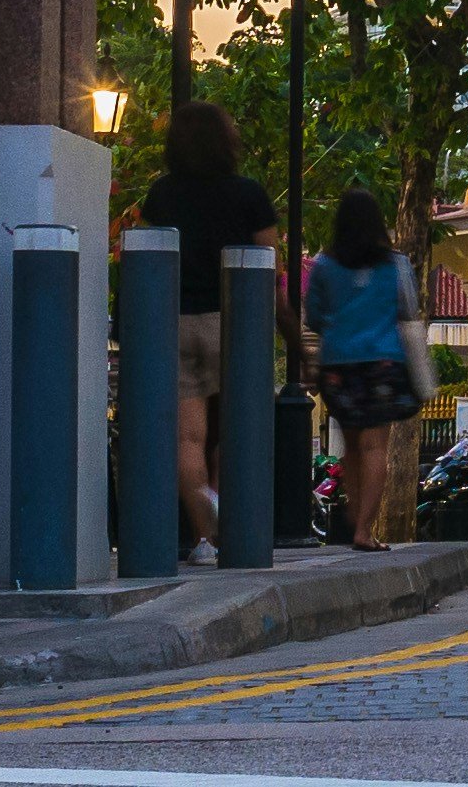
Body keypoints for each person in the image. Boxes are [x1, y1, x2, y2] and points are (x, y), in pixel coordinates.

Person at [135, 104, 282, 548]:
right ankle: (232, 520)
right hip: (234, 321)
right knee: (237, 424)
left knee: (188, 436)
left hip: (174, 321)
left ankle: (204, 531)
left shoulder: (161, 195)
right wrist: (289, 332)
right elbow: (269, 270)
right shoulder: (250, 196)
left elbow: (143, 256)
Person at [306, 185, 423, 553]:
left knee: (352, 448)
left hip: (338, 366)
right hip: (382, 364)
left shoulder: (324, 266)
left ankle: (355, 519)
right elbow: (408, 309)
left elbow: (313, 315)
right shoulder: (396, 265)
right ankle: (364, 529)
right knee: (375, 448)